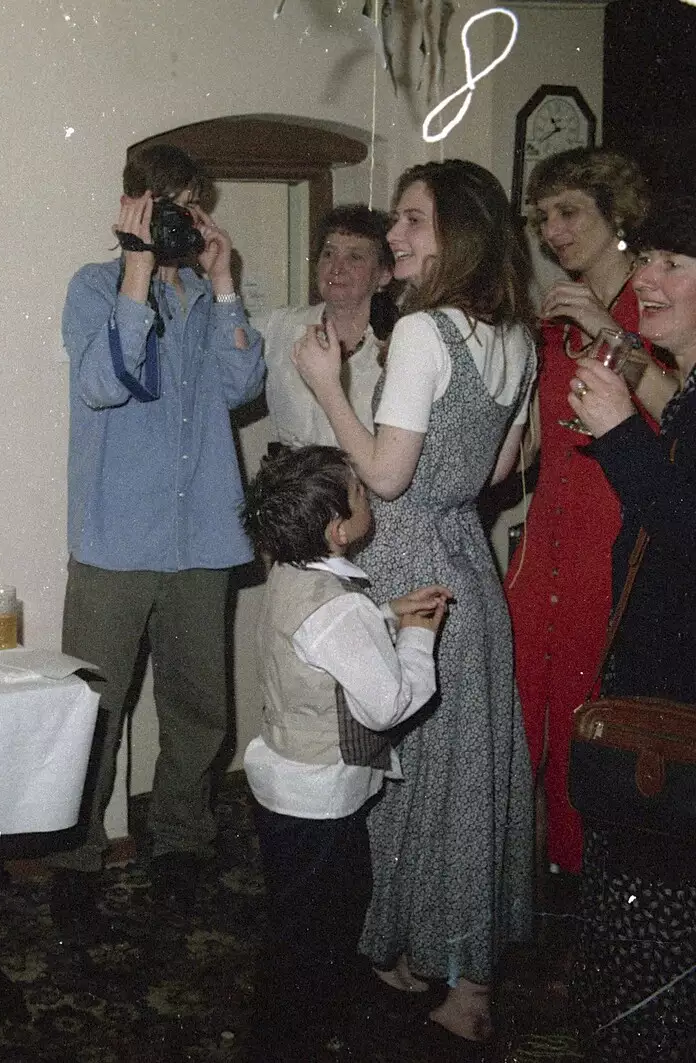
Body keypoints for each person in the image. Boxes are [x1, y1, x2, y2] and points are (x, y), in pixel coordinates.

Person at [293, 159, 537, 1042]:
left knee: (402, 767)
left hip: (404, 560)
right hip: (467, 564)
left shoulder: (429, 331)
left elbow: (387, 475)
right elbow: (501, 470)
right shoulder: (516, 332)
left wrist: (329, 383)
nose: (393, 236)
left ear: (457, 233)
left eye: (410, 222)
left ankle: (453, 984)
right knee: (460, 776)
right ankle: (429, 958)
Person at [52, 141, 265, 917]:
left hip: (202, 539)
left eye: (190, 203)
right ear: (137, 205)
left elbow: (245, 386)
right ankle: (77, 854)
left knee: (199, 708)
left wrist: (224, 283)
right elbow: (104, 383)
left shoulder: (212, 304)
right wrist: (137, 272)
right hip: (115, 542)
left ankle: (182, 839)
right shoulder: (92, 288)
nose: (182, 217)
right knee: (93, 712)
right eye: (167, 203)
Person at [239, 445, 448, 1060]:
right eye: (359, 491)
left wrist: (382, 615)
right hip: (323, 796)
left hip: (285, 784)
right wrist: (416, 636)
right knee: (323, 924)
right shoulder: (338, 610)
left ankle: (294, 1021)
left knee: (301, 916)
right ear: (338, 530)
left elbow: (318, 644)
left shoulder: (287, 573)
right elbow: (388, 704)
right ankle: (294, 1035)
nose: (368, 495)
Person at [505, 148, 675, 879]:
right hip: (548, 533)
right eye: (543, 217)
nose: (553, 231)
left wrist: (611, 328)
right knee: (525, 703)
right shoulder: (555, 315)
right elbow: (535, 440)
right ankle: (527, 887)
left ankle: (591, 884)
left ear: (616, 215)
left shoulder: (660, 302)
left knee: (593, 707)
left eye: (569, 212)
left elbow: (679, 409)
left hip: (620, 532)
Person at [564, 197, 696, 1059]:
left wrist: (618, 435)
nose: (644, 278)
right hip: (660, 685)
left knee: (664, 947)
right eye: (643, 257)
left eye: (673, 265)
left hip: (682, 709)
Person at [258, 205, 397, 448]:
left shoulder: (395, 348)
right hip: (292, 482)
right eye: (329, 254)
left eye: (354, 257)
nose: (336, 267)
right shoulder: (280, 326)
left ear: (384, 275)